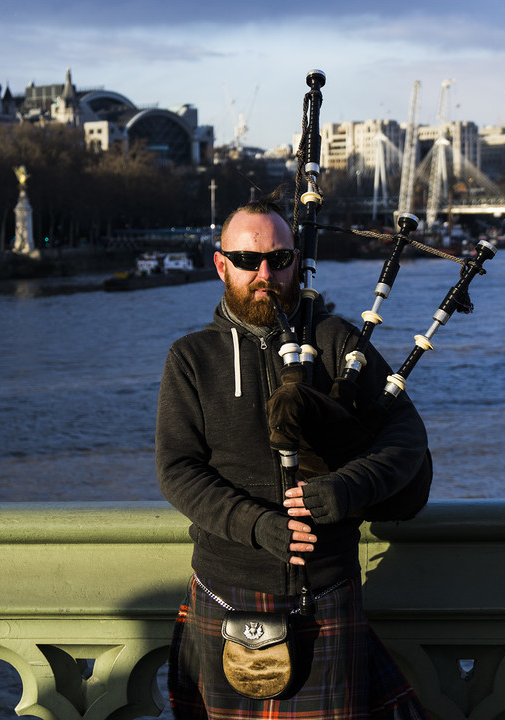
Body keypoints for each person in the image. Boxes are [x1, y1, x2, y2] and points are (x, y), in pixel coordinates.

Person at [155, 192, 431, 718]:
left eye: (280, 259)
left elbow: (405, 439)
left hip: (326, 591)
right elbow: (177, 471)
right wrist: (259, 526)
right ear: (221, 265)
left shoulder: (338, 343)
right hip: (227, 589)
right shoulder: (192, 358)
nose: (265, 273)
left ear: (296, 262)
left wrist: (344, 489)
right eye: (246, 260)